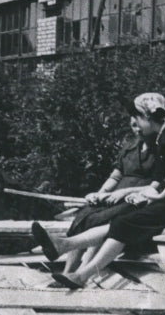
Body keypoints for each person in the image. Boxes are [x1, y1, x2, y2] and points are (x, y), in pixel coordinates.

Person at [32, 93, 165, 289]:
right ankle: (69, 256)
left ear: (147, 115)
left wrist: (157, 195)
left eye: (136, 118)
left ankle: (76, 266)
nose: (135, 124)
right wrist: (148, 192)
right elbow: (159, 177)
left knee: (123, 222)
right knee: (119, 222)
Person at [59, 113, 158, 275]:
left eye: (140, 124)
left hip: (139, 198)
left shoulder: (163, 148)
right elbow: (116, 176)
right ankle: (67, 271)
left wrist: (125, 192)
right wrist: (99, 194)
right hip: (115, 195)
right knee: (85, 215)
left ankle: (82, 272)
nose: (137, 129)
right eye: (133, 125)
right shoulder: (130, 146)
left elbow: (159, 184)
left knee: (103, 219)